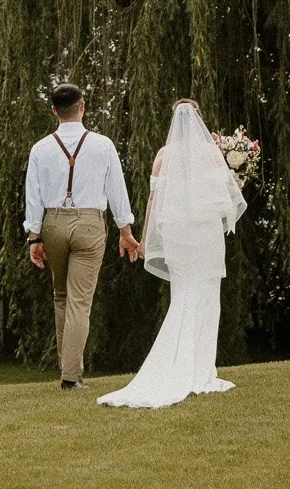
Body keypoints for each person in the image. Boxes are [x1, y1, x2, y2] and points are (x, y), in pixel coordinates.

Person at [97, 98, 245, 410]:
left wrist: (147, 239)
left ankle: (192, 368)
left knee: (183, 295)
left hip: (177, 236)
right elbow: (231, 197)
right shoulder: (212, 153)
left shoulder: (163, 156)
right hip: (205, 236)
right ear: (199, 120)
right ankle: (201, 371)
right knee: (206, 298)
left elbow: (153, 200)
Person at [24, 83, 141, 389]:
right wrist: (125, 230)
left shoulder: (40, 148)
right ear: (83, 106)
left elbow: (32, 196)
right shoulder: (103, 145)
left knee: (60, 296)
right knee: (79, 301)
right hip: (89, 223)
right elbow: (117, 189)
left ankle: (69, 370)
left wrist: (34, 237)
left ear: (54, 111)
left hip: (52, 224)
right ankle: (70, 377)